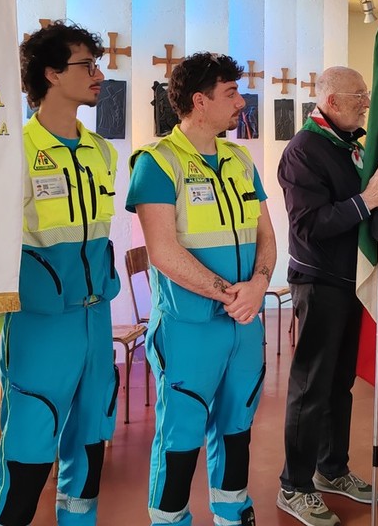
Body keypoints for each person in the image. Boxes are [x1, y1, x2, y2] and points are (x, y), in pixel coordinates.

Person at [126, 52, 276, 526]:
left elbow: (267, 235)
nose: (241, 103)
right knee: (181, 434)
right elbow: (162, 251)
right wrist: (233, 294)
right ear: (200, 101)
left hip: (244, 325)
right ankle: (170, 520)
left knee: (237, 425)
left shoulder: (240, 160)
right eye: (231, 94)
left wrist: (260, 284)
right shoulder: (157, 163)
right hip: (189, 328)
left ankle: (232, 513)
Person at [0, 22, 120, 526]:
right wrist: (13, 324)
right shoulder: (14, 150)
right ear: (51, 74)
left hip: (95, 319)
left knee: (90, 445)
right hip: (39, 325)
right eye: (87, 65)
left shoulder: (101, 151)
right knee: (28, 452)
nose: (98, 75)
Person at [274, 66, 378, 526]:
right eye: (358, 96)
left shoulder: (347, 144)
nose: (366, 103)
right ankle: (294, 485)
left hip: (349, 280)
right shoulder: (304, 150)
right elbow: (309, 225)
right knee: (311, 386)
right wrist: (367, 201)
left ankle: (331, 469)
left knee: (339, 383)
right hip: (319, 280)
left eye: (366, 94)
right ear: (331, 102)